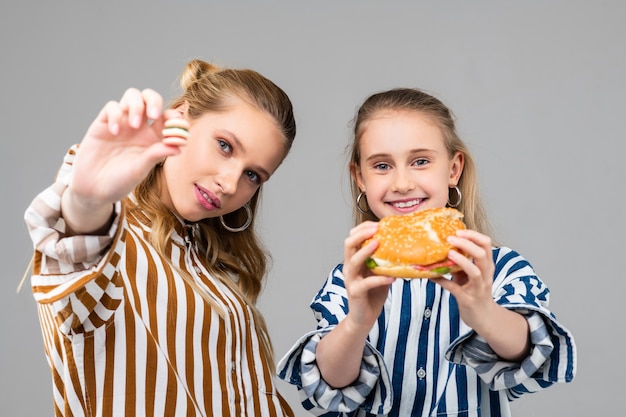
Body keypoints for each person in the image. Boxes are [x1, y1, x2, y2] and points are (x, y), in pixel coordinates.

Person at [277, 88, 576, 417]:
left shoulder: (499, 267)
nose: (402, 183)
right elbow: (330, 385)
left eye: (420, 161)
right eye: (381, 166)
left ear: (453, 169)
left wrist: (482, 311)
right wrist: (357, 322)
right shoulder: (351, 276)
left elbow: (530, 353)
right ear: (360, 178)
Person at [23, 59, 297, 417]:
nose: (231, 184)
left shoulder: (207, 268)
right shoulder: (112, 244)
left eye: (253, 175)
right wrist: (86, 201)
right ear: (180, 116)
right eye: (225, 146)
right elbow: (77, 252)